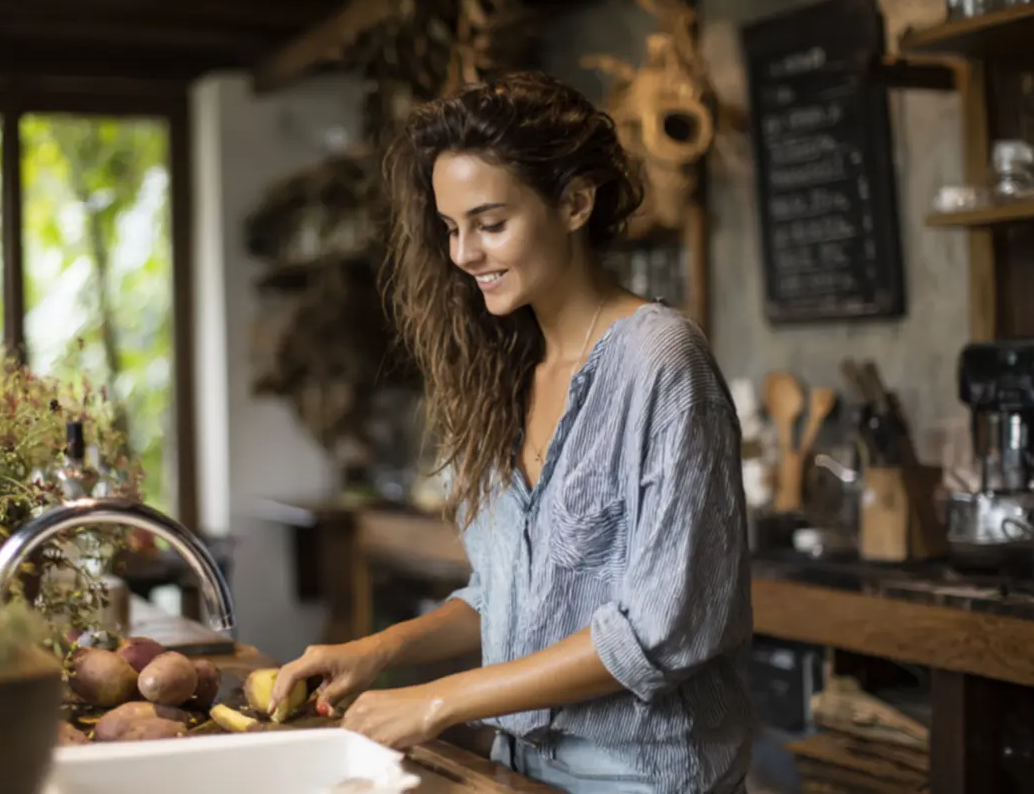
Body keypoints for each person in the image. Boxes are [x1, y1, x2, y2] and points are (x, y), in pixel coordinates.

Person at [270, 70, 753, 793]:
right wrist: (373, 651)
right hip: (518, 770)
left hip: (646, 779)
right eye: (451, 228)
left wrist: (440, 698)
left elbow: (661, 629)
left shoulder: (660, 360)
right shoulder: (506, 370)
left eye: (490, 224)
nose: (464, 255)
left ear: (575, 203)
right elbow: (506, 598)